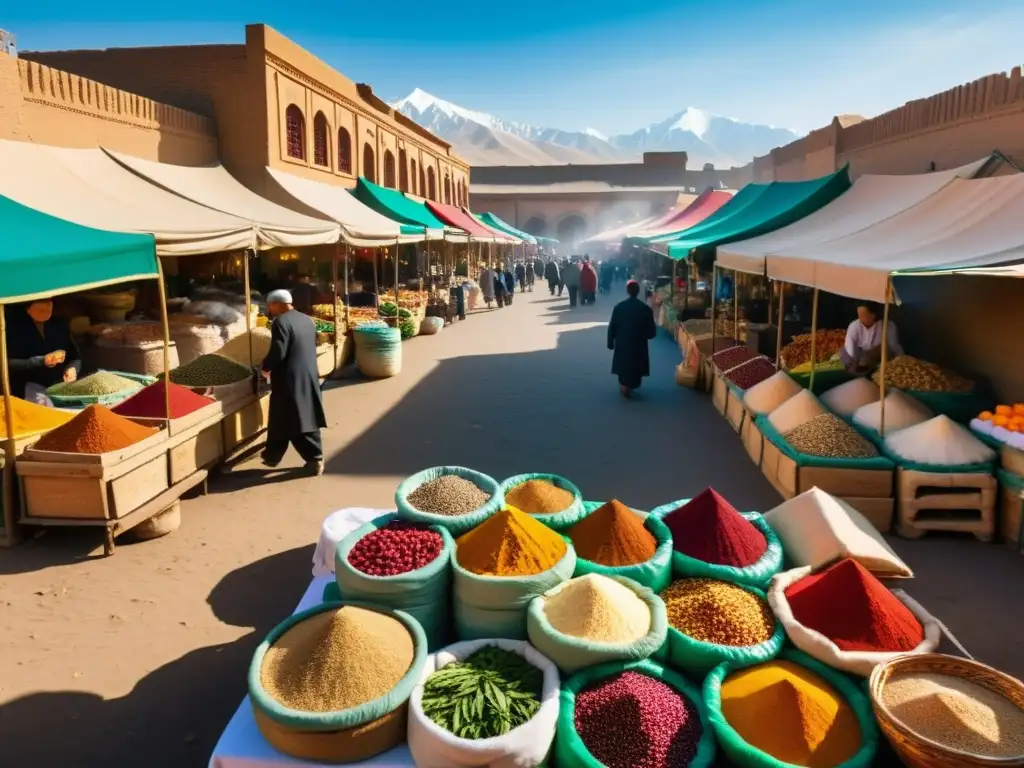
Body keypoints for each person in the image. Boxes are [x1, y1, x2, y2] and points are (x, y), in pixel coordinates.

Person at [260, 289, 327, 475]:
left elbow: (278, 351)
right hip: (308, 374)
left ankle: (314, 459)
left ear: (276, 304)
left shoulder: (280, 322)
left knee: (296, 418)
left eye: (270, 305)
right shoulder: (306, 319)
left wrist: (265, 367)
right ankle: (272, 456)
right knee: (286, 416)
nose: (270, 309)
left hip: (290, 378)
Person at [5, 300, 80, 401]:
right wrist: (41, 361)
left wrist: (72, 368)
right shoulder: (12, 328)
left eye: (50, 301)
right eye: (42, 301)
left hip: (59, 389)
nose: (48, 305)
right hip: (27, 391)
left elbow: (74, 356)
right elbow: (8, 363)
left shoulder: (59, 324)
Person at [607, 280, 657, 398]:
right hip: (638, 343)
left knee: (624, 365)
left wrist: (610, 342)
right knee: (636, 366)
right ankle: (630, 385)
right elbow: (651, 330)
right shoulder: (645, 308)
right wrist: (647, 335)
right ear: (638, 291)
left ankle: (625, 385)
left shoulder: (619, 307)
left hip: (622, 342)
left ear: (627, 291)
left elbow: (612, 326)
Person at [841, 302, 903, 374]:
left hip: (879, 360)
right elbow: (850, 349)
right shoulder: (854, 326)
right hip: (858, 358)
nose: (860, 318)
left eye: (863, 315)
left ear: (873, 315)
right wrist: (858, 361)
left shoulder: (888, 326)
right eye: (859, 315)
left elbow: (894, 347)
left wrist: (900, 360)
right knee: (845, 353)